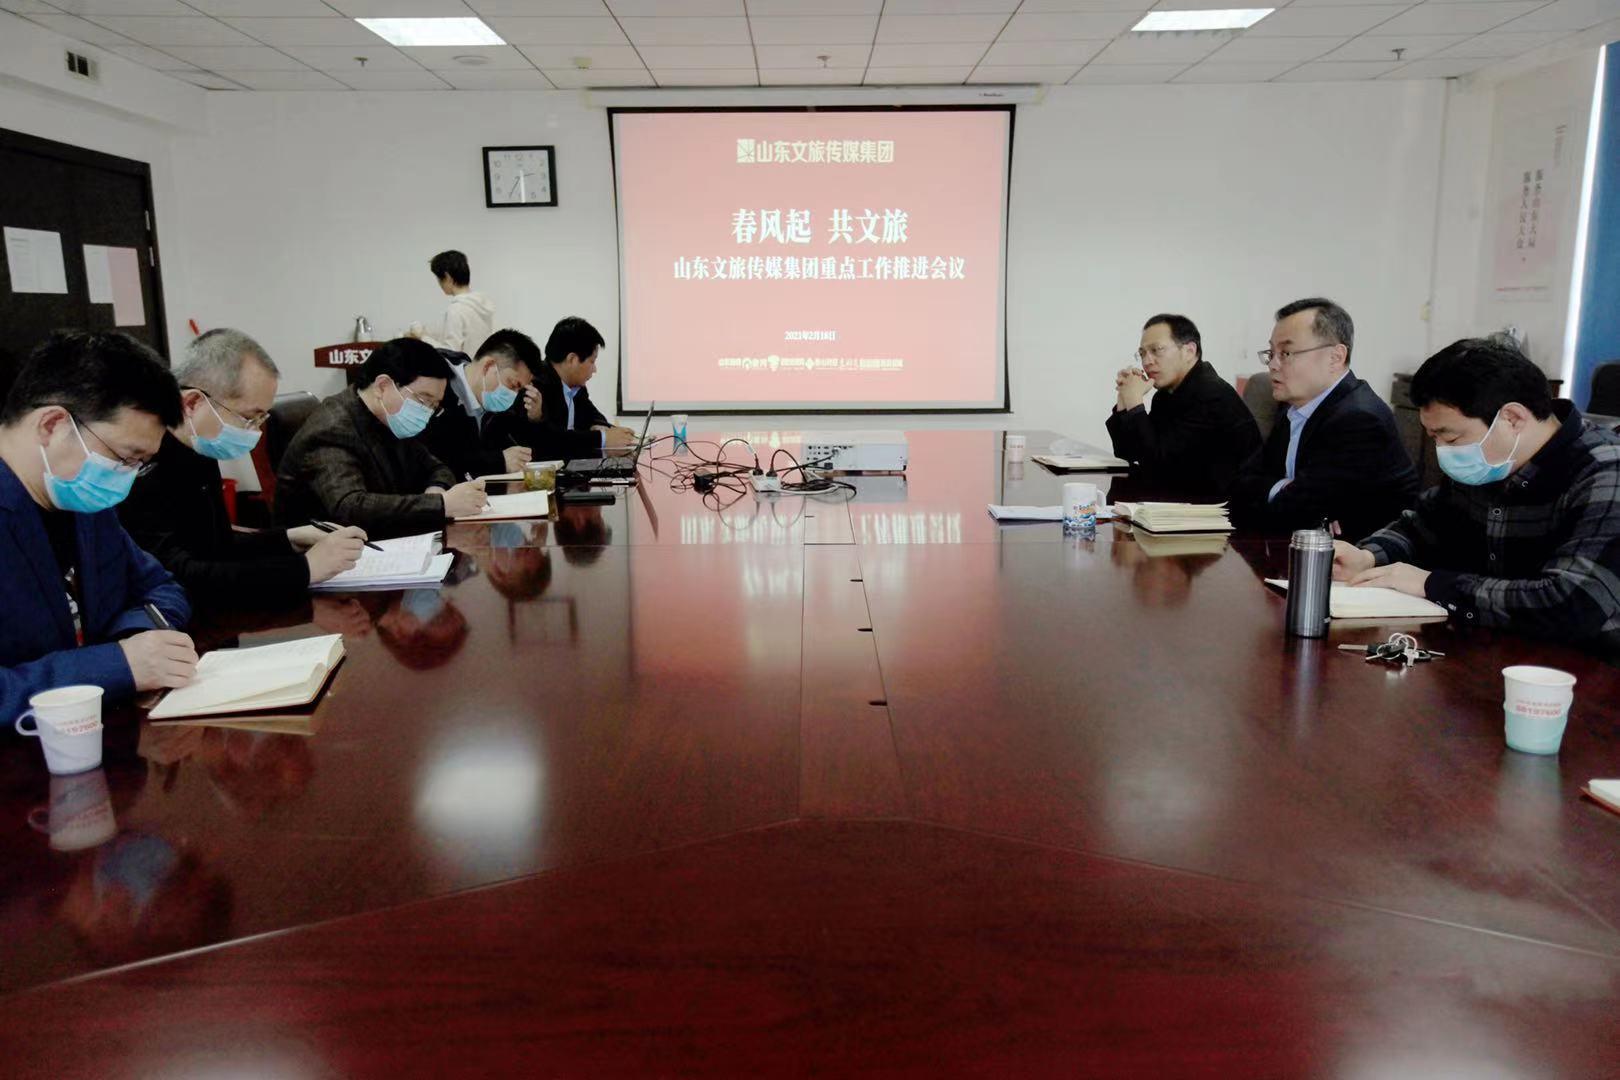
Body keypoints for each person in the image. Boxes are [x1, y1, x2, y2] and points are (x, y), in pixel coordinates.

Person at [1334, 338, 1620, 654]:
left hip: (1587, 666)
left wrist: (1431, 584)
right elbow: (1423, 526)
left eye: (1450, 437)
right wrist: (1368, 556)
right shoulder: (1491, 461)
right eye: (1434, 437)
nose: (1443, 451)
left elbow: (1573, 604)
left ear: (1512, 418)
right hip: (1490, 646)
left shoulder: (1606, 471)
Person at [0, 331, 196, 722]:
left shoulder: (80, 499)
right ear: (52, 424)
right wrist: (114, 665)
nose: (127, 477)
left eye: (140, 464)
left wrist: (135, 639)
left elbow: (161, 587)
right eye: (124, 458)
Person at [119, 329, 369, 602]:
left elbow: (215, 545)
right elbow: (178, 574)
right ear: (192, 403)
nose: (255, 431)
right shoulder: (140, 462)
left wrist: (290, 539)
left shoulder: (198, 447)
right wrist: (305, 569)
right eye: (249, 417)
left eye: (261, 419)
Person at [1230, 297, 1418, 541]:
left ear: (1335, 357)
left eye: (1286, 353)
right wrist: (1285, 488)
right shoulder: (1294, 407)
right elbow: (1243, 485)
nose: (1273, 365)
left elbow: (1293, 514)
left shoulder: (1359, 419)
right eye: (1271, 353)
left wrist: (1283, 493)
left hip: (1362, 556)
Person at [273, 338, 488, 539]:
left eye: (434, 406)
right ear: (383, 386)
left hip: (383, 539)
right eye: (424, 401)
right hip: (324, 553)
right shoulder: (332, 428)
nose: (427, 413)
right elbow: (349, 507)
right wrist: (440, 505)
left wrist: (436, 491)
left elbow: (437, 468)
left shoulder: (389, 417)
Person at [1105, 313, 1262, 502]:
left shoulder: (1210, 395)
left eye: (1156, 350)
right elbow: (1128, 453)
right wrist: (1124, 398)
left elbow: (1158, 466)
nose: (1147, 361)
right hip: (1182, 494)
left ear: (1189, 351)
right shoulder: (1166, 394)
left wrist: (1135, 403)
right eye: (1143, 353)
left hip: (1221, 507)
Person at [484, 316, 637, 460]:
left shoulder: (577, 388)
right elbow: (550, 440)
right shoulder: (535, 385)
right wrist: (602, 438)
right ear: (572, 359)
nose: (595, 369)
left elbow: (592, 415)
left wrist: (603, 428)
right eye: (592, 361)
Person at [420, 329, 536, 481]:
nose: (513, 395)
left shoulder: (492, 408)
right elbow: (434, 460)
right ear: (488, 366)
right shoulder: (435, 390)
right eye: (513, 384)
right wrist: (498, 461)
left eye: (518, 390)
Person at [409, 249, 495, 358]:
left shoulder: (456, 309)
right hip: (484, 365)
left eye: (439, 279)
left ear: (447, 277)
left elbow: (451, 353)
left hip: (467, 368)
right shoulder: (482, 304)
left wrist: (422, 337)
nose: (439, 284)